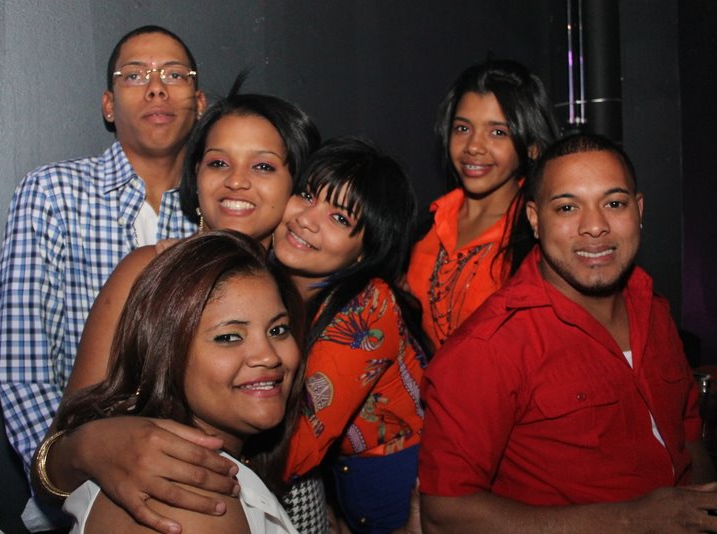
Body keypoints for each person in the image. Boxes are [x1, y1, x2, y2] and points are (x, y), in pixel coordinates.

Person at [31, 87, 321, 532]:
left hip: (293, 502)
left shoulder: (313, 282)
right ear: (195, 176)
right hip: (184, 506)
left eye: (262, 166)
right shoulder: (153, 273)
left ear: (298, 187)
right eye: (218, 163)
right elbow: (57, 458)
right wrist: (91, 447)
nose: (236, 181)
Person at [419, 133, 716, 533]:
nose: (595, 226)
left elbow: (688, 434)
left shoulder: (653, 308)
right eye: (567, 207)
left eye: (614, 203)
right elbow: (444, 515)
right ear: (534, 220)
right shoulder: (488, 348)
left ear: (639, 209)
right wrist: (633, 520)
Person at [0, 25, 206, 528]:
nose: (156, 88)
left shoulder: (217, 210)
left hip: (198, 490)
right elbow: (24, 371)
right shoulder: (53, 194)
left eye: (174, 74)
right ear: (109, 105)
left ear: (198, 103)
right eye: (135, 75)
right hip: (80, 496)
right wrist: (80, 483)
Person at [52, 230, 304, 532]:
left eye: (278, 330)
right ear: (167, 355)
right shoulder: (190, 502)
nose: (269, 356)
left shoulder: (213, 469)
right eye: (228, 337)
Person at [274, 137, 430, 532]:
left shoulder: (369, 307)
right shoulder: (273, 284)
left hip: (404, 506)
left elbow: (297, 448)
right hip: (350, 497)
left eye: (339, 218)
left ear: (365, 251)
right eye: (307, 195)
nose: (307, 219)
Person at [407, 60, 558, 350]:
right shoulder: (424, 230)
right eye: (462, 128)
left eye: (498, 132)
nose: (473, 146)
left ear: (532, 147)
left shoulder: (542, 238)